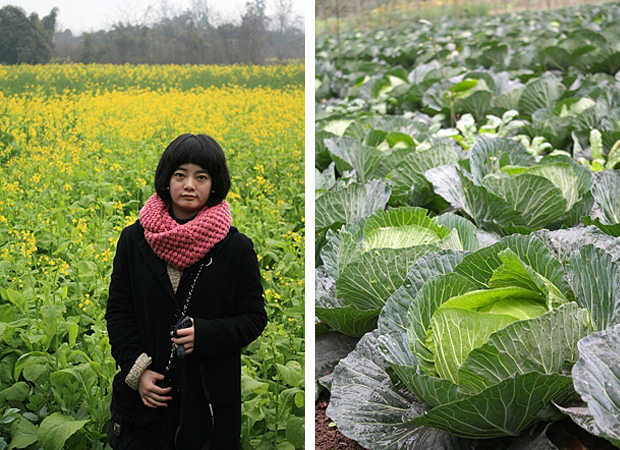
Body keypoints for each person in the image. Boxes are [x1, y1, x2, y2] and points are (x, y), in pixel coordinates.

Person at [105, 133, 268, 450]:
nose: (189, 185)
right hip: (148, 403)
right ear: (166, 179)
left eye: (201, 176)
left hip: (208, 400)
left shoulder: (235, 248)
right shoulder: (133, 240)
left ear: (215, 184)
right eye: (180, 174)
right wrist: (137, 371)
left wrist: (206, 334)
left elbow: (254, 317)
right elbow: (118, 312)